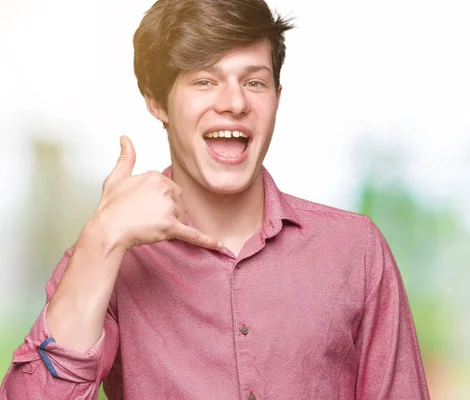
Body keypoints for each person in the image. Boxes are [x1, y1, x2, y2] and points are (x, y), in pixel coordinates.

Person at [0, 0, 429, 398]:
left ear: (277, 99)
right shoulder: (105, 258)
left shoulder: (356, 251)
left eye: (254, 81)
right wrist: (104, 237)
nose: (235, 102)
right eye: (205, 80)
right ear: (157, 101)